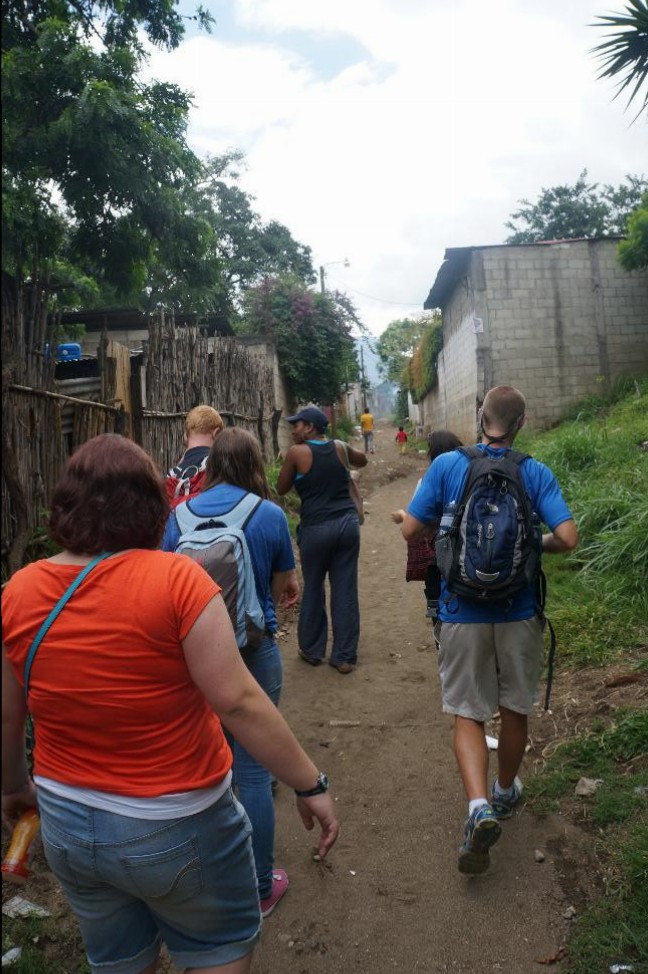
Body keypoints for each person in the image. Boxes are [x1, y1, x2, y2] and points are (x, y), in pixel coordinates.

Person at [2, 433, 339, 974]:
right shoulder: (177, 580)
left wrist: (16, 786)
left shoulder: (18, 591)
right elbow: (238, 703)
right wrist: (309, 784)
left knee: (119, 963)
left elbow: (7, 714)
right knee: (218, 953)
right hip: (177, 825)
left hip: (68, 823)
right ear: (152, 503)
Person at [398, 386, 578, 875]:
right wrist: (533, 544)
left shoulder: (447, 466)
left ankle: (477, 806)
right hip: (518, 610)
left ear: (481, 418)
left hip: (460, 610)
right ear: (522, 422)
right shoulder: (533, 470)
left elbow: (410, 530)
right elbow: (568, 538)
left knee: (467, 713)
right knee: (514, 706)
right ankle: (503, 792)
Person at [162, 427, 299, 918]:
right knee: (254, 769)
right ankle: (260, 885)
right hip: (254, 652)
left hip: (196, 662)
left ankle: (207, 880)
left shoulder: (178, 517)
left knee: (208, 766)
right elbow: (283, 584)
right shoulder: (270, 515)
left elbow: (165, 585)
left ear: (212, 463)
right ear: (256, 462)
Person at [277, 406, 367, 674]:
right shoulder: (339, 447)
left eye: (297, 424)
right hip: (347, 526)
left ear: (311, 427)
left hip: (316, 529)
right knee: (345, 589)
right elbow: (361, 460)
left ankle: (313, 650)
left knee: (314, 587)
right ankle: (344, 656)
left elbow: (281, 488)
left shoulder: (296, 453)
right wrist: (347, 462)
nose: (293, 429)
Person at [391, 431, 463, 620]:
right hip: (465, 555)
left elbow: (416, 524)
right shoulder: (471, 474)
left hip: (437, 558)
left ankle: (438, 628)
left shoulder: (427, 480)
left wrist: (402, 516)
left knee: (437, 602)